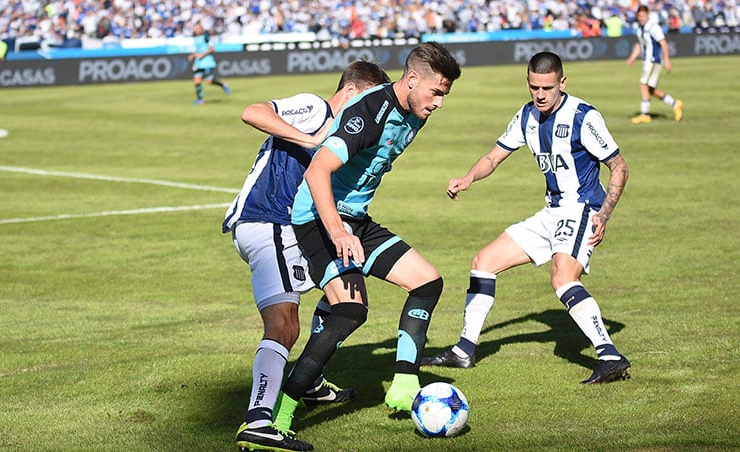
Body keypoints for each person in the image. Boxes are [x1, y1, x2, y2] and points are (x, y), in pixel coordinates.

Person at [272, 42, 461, 448]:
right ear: (411, 80)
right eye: (436, 92)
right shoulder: (368, 114)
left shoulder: (416, 110)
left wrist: (350, 225)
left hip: (356, 218)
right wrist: (339, 232)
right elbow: (317, 172)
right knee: (350, 311)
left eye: (445, 94)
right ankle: (280, 415)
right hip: (318, 219)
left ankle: (405, 384)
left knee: (428, 282)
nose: (440, 103)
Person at [421, 51, 631, 386]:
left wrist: (603, 213)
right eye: (534, 87)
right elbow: (494, 156)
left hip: (581, 210)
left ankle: (610, 356)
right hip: (551, 211)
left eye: (548, 87)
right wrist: (468, 178)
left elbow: (618, 165)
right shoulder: (527, 116)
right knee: (483, 262)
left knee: (562, 277)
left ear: (562, 82)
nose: (541, 94)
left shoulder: (583, 117)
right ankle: (464, 350)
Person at [223, 61, 391, 452]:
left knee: (342, 294)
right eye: (367, 101)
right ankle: (258, 421)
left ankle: (310, 381)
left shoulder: (349, 134)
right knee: (284, 325)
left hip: (295, 230)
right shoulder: (318, 108)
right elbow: (253, 112)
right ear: (350, 92)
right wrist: (311, 139)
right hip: (267, 222)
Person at [626, 5, 684, 123]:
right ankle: (675, 104)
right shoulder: (640, 28)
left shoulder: (653, 27)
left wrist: (667, 60)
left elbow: (663, 43)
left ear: (648, 15)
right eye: (639, 16)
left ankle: (645, 115)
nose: (641, 18)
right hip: (647, 61)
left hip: (653, 60)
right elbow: (639, 44)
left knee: (643, 85)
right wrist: (632, 57)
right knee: (650, 90)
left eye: (643, 16)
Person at [188, 21, 229, 105]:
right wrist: (193, 55)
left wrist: (202, 55)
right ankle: (200, 100)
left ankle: (223, 84)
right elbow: (198, 50)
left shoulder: (206, 37)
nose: (196, 30)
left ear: (201, 29)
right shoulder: (195, 38)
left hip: (207, 62)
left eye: (198, 28)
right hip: (198, 62)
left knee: (209, 81)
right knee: (197, 80)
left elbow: (212, 48)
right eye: (195, 28)